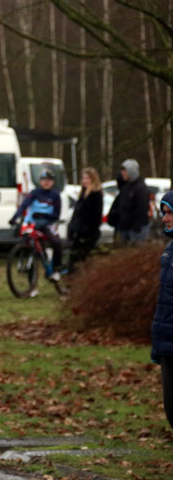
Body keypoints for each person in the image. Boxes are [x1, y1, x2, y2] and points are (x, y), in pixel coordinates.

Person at [9, 169, 63, 280]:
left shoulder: (55, 195)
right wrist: (15, 218)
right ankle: (31, 284)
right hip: (31, 224)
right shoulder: (34, 193)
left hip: (46, 224)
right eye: (44, 180)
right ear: (40, 181)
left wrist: (45, 217)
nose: (46, 182)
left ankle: (56, 269)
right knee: (30, 249)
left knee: (57, 243)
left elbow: (56, 215)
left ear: (53, 182)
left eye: (49, 180)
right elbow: (24, 205)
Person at [152, 190, 173, 431]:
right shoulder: (168, 252)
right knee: (171, 409)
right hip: (167, 345)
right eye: (164, 213)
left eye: (169, 213)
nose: (164, 219)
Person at [67, 167, 103, 270]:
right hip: (78, 232)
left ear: (93, 180)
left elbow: (95, 217)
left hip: (88, 233)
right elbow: (77, 213)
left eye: (87, 179)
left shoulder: (95, 195)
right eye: (83, 179)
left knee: (82, 260)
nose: (84, 181)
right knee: (74, 260)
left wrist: (86, 230)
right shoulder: (83, 194)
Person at [116, 159, 150, 245]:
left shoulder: (140, 188)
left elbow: (142, 209)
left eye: (125, 171)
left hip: (136, 229)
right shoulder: (126, 187)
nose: (122, 173)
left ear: (131, 171)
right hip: (126, 228)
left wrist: (136, 227)